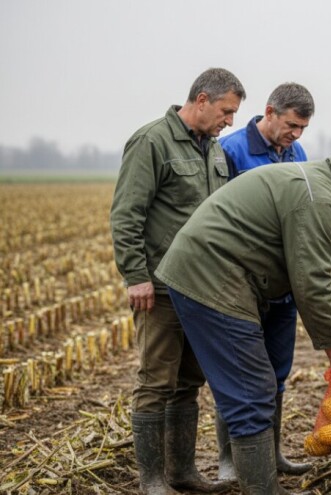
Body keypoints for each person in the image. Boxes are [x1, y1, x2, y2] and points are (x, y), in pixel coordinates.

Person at [154, 143, 331, 495]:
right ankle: (263, 490)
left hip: (198, 271)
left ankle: (185, 473)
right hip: (212, 279)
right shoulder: (320, 198)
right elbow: (312, 281)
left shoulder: (314, 182)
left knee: (242, 384)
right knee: (252, 389)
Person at [110, 67, 245, 495]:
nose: (230, 120)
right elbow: (126, 215)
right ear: (201, 100)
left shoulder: (216, 150)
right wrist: (136, 276)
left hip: (202, 289)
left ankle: (183, 472)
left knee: (189, 381)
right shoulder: (152, 141)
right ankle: (151, 480)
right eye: (226, 111)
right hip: (161, 287)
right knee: (155, 382)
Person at [214, 82, 315, 479]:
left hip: (283, 285)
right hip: (243, 285)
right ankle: (230, 460)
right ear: (270, 112)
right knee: (238, 375)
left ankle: (272, 454)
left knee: (277, 372)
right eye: (291, 125)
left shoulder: (298, 153)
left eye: (303, 128)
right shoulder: (233, 150)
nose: (296, 134)